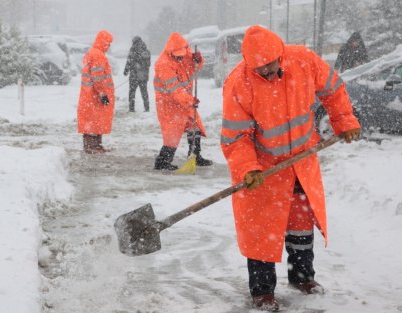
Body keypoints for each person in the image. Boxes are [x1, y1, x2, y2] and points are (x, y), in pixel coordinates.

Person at [221, 25, 361, 311]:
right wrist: (248, 167)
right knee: (261, 230)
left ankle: (302, 277)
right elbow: (236, 136)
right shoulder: (238, 83)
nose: (268, 74)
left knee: (301, 222)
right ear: (250, 65)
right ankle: (262, 291)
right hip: (264, 167)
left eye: (271, 67)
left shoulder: (303, 60)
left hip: (302, 161)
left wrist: (344, 120)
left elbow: (333, 89)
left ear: (280, 56)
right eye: (260, 70)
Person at [153, 32, 212, 170]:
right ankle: (162, 162)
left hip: (185, 101)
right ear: (170, 51)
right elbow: (175, 89)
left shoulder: (185, 53)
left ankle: (195, 156)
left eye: (182, 55)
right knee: (172, 134)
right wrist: (189, 100)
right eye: (177, 56)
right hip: (169, 104)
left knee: (195, 126)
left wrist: (198, 60)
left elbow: (194, 68)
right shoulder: (163, 64)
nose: (180, 59)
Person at [77, 30, 115, 154]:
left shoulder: (93, 53)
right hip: (94, 96)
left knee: (95, 121)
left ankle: (96, 146)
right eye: (108, 43)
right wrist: (102, 93)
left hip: (90, 95)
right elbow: (97, 77)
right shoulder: (98, 55)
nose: (109, 46)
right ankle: (91, 147)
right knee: (93, 121)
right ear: (103, 42)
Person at [123, 36, 151, 112]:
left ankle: (131, 109)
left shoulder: (132, 50)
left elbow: (128, 61)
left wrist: (126, 71)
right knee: (144, 92)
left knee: (132, 93)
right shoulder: (146, 51)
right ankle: (147, 108)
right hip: (143, 76)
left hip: (134, 76)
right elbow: (148, 64)